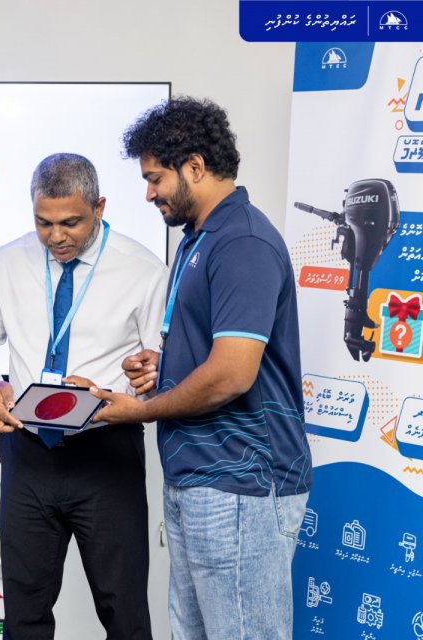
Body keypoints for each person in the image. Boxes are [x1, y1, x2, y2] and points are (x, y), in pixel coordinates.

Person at [90, 97, 312, 640]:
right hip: (201, 477)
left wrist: (140, 410)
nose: (149, 194)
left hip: (242, 483)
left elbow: (232, 374)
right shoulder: (200, 238)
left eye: (155, 179)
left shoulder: (243, 242)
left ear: (194, 166)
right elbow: (217, 351)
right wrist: (165, 365)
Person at [0, 153, 168, 640]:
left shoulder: (143, 270)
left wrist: (136, 380)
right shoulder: (8, 262)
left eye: (70, 222)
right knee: (23, 618)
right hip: (27, 454)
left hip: (106, 455)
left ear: (99, 207)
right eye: (43, 223)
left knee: (126, 615)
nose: (56, 237)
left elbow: (164, 368)